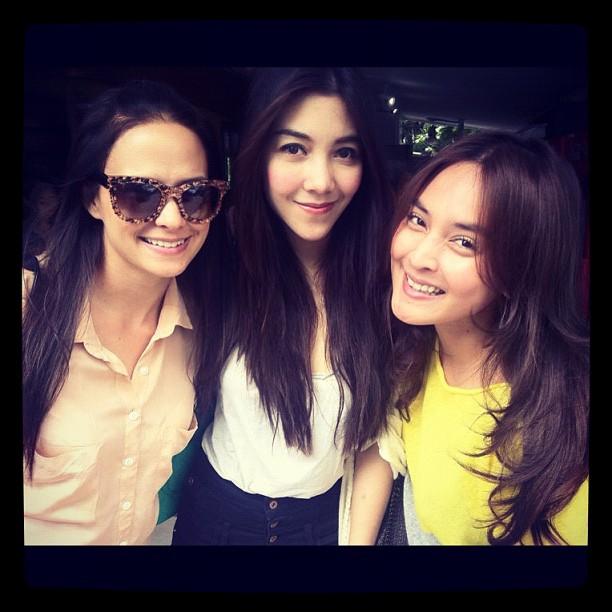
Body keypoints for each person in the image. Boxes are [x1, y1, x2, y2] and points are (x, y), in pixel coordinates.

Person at [172, 67, 394, 545]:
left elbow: (380, 438)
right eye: (294, 148)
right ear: (257, 153)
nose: (321, 181)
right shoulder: (214, 258)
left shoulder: (388, 280)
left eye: (345, 152)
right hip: (215, 517)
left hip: (325, 525)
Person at [348, 131, 589, 545]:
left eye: (464, 242)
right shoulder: (412, 348)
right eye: (418, 220)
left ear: (521, 268)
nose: (417, 257)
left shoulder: (562, 426)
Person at [22, 80, 228, 545]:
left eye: (195, 195)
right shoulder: (29, 313)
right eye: (138, 194)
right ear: (92, 199)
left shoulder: (202, 325)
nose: (172, 219)